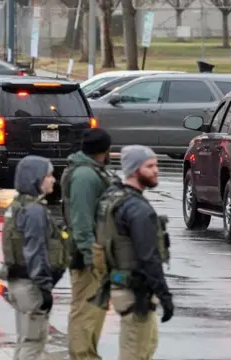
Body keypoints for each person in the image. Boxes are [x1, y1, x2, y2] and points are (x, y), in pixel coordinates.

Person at [90, 145, 174, 360]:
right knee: (136, 351)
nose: (156, 170)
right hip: (135, 291)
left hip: (119, 284)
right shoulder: (136, 208)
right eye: (150, 166)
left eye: (156, 165)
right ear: (135, 169)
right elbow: (148, 256)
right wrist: (164, 295)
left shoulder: (113, 197)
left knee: (146, 345)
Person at [1, 155, 69, 359]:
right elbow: (35, 251)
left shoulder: (18, 207)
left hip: (18, 283)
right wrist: (44, 287)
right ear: (35, 179)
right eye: (48, 175)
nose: (53, 180)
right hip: (32, 286)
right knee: (33, 344)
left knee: (24, 341)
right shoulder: (35, 212)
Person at [60, 128, 114, 359]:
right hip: (87, 259)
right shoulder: (85, 177)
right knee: (86, 312)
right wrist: (93, 259)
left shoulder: (90, 172)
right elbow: (81, 223)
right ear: (104, 150)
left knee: (91, 313)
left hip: (92, 254)